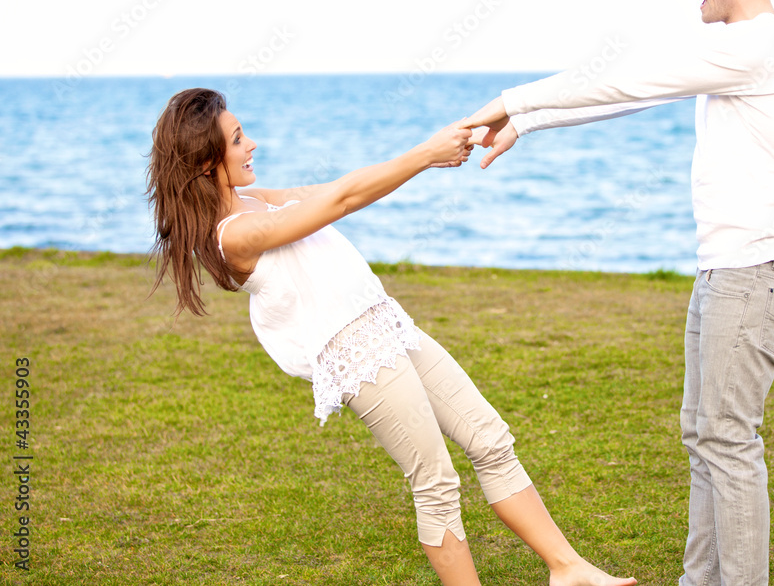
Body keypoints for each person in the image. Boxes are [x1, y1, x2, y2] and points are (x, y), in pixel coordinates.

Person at [146, 87, 637, 586]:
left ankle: (568, 569)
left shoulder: (251, 199)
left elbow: (332, 187)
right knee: (436, 481)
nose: (252, 144)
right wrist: (426, 154)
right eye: (237, 139)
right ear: (208, 162)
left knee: (491, 439)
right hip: (354, 352)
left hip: (385, 322)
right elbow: (342, 200)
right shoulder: (232, 235)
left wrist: (449, 139)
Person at [463, 0, 774, 584]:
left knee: (729, 441)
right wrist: (526, 120)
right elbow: (627, 89)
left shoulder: (757, 48)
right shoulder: (744, 46)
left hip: (752, 271)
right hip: (727, 267)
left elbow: (629, 81)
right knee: (705, 436)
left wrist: (509, 103)